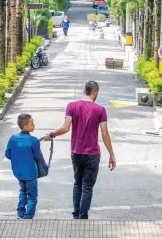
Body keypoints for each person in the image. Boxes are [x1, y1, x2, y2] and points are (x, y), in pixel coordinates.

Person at [43, 81, 116, 219]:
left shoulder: (72, 106)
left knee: (78, 183)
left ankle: (76, 214)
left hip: (76, 152)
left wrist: (51, 135)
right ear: (95, 93)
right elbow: (105, 134)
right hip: (93, 154)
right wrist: (111, 154)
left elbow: (65, 128)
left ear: (84, 91)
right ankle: (83, 217)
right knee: (87, 187)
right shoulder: (100, 109)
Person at [5, 114, 47, 219]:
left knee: (22, 191)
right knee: (32, 195)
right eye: (32, 124)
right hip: (30, 173)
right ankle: (28, 216)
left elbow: (7, 153)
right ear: (25, 127)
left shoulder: (13, 138)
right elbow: (37, 156)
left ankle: (20, 213)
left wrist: (18, 158)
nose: (34, 126)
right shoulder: (34, 140)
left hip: (18, 172)